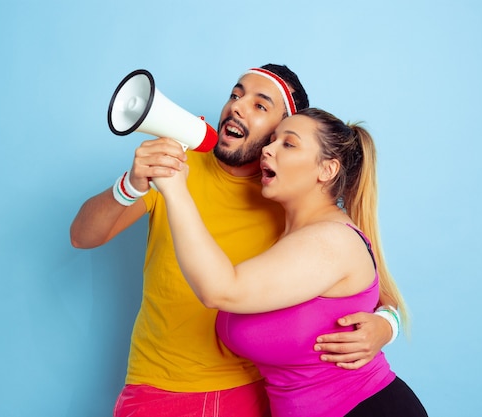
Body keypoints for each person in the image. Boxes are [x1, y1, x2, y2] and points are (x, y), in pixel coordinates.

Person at [70, 65, 399, 417]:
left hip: (253, 392)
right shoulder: (179, 165)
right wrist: (131, 185)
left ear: (282, 130)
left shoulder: (289, 197)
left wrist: (386, 324)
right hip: (159, 384)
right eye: (236, 95)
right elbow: (82, 236)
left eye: (260, 106)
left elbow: (363, 285)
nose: (237, 107)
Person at [151, 107, 428, 417]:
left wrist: (175, 190)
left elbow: (221, 290)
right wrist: (389, 321)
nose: (268, 149)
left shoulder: (332, 241)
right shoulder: (288, 242)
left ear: (327, 170)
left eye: (289, 144)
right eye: (271, 140)